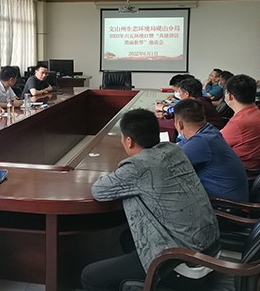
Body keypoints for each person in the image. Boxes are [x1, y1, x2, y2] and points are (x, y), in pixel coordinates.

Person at [81, 109, 220, 291]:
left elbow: (98, 190)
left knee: (90, 276)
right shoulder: (174, 150)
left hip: (181, 265)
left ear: (128, 141)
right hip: (209, 253)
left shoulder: (138, 166)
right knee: (127, 238)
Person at [173, 99, 248, 202]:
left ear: (179, 124)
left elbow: (169, 166)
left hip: (225, 206)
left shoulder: (201, 142)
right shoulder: (209, 131)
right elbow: (180, 146)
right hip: (228, 198)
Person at [221, 74, 260, 173]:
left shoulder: (240, 122)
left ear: (230, 96)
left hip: (238, 171)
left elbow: (214, 143)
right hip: (244, 166)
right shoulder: (252, 110)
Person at [158, 78, 225, 130]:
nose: (179, 94)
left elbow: (184, 119)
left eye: (180, 92)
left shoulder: (197, 104)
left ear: (186, 94)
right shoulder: (200, 100)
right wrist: (167, 115)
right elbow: (182, 113)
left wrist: (164, 111)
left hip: (209, 132)